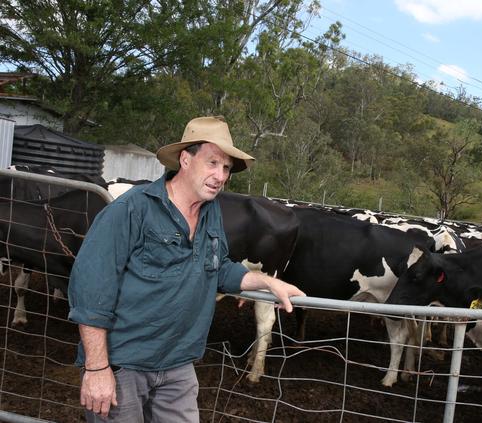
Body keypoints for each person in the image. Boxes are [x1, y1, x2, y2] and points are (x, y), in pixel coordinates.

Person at [67, 116, 305, 422]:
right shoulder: (132, 209)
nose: (220, 176)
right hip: (123, 365)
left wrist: (267, 282)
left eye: (227, 168)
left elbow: (217, 269)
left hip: (178, 367)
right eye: (212, 163)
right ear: (185, 159)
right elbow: (91, 290)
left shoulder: (211, 214)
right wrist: (97, 368)